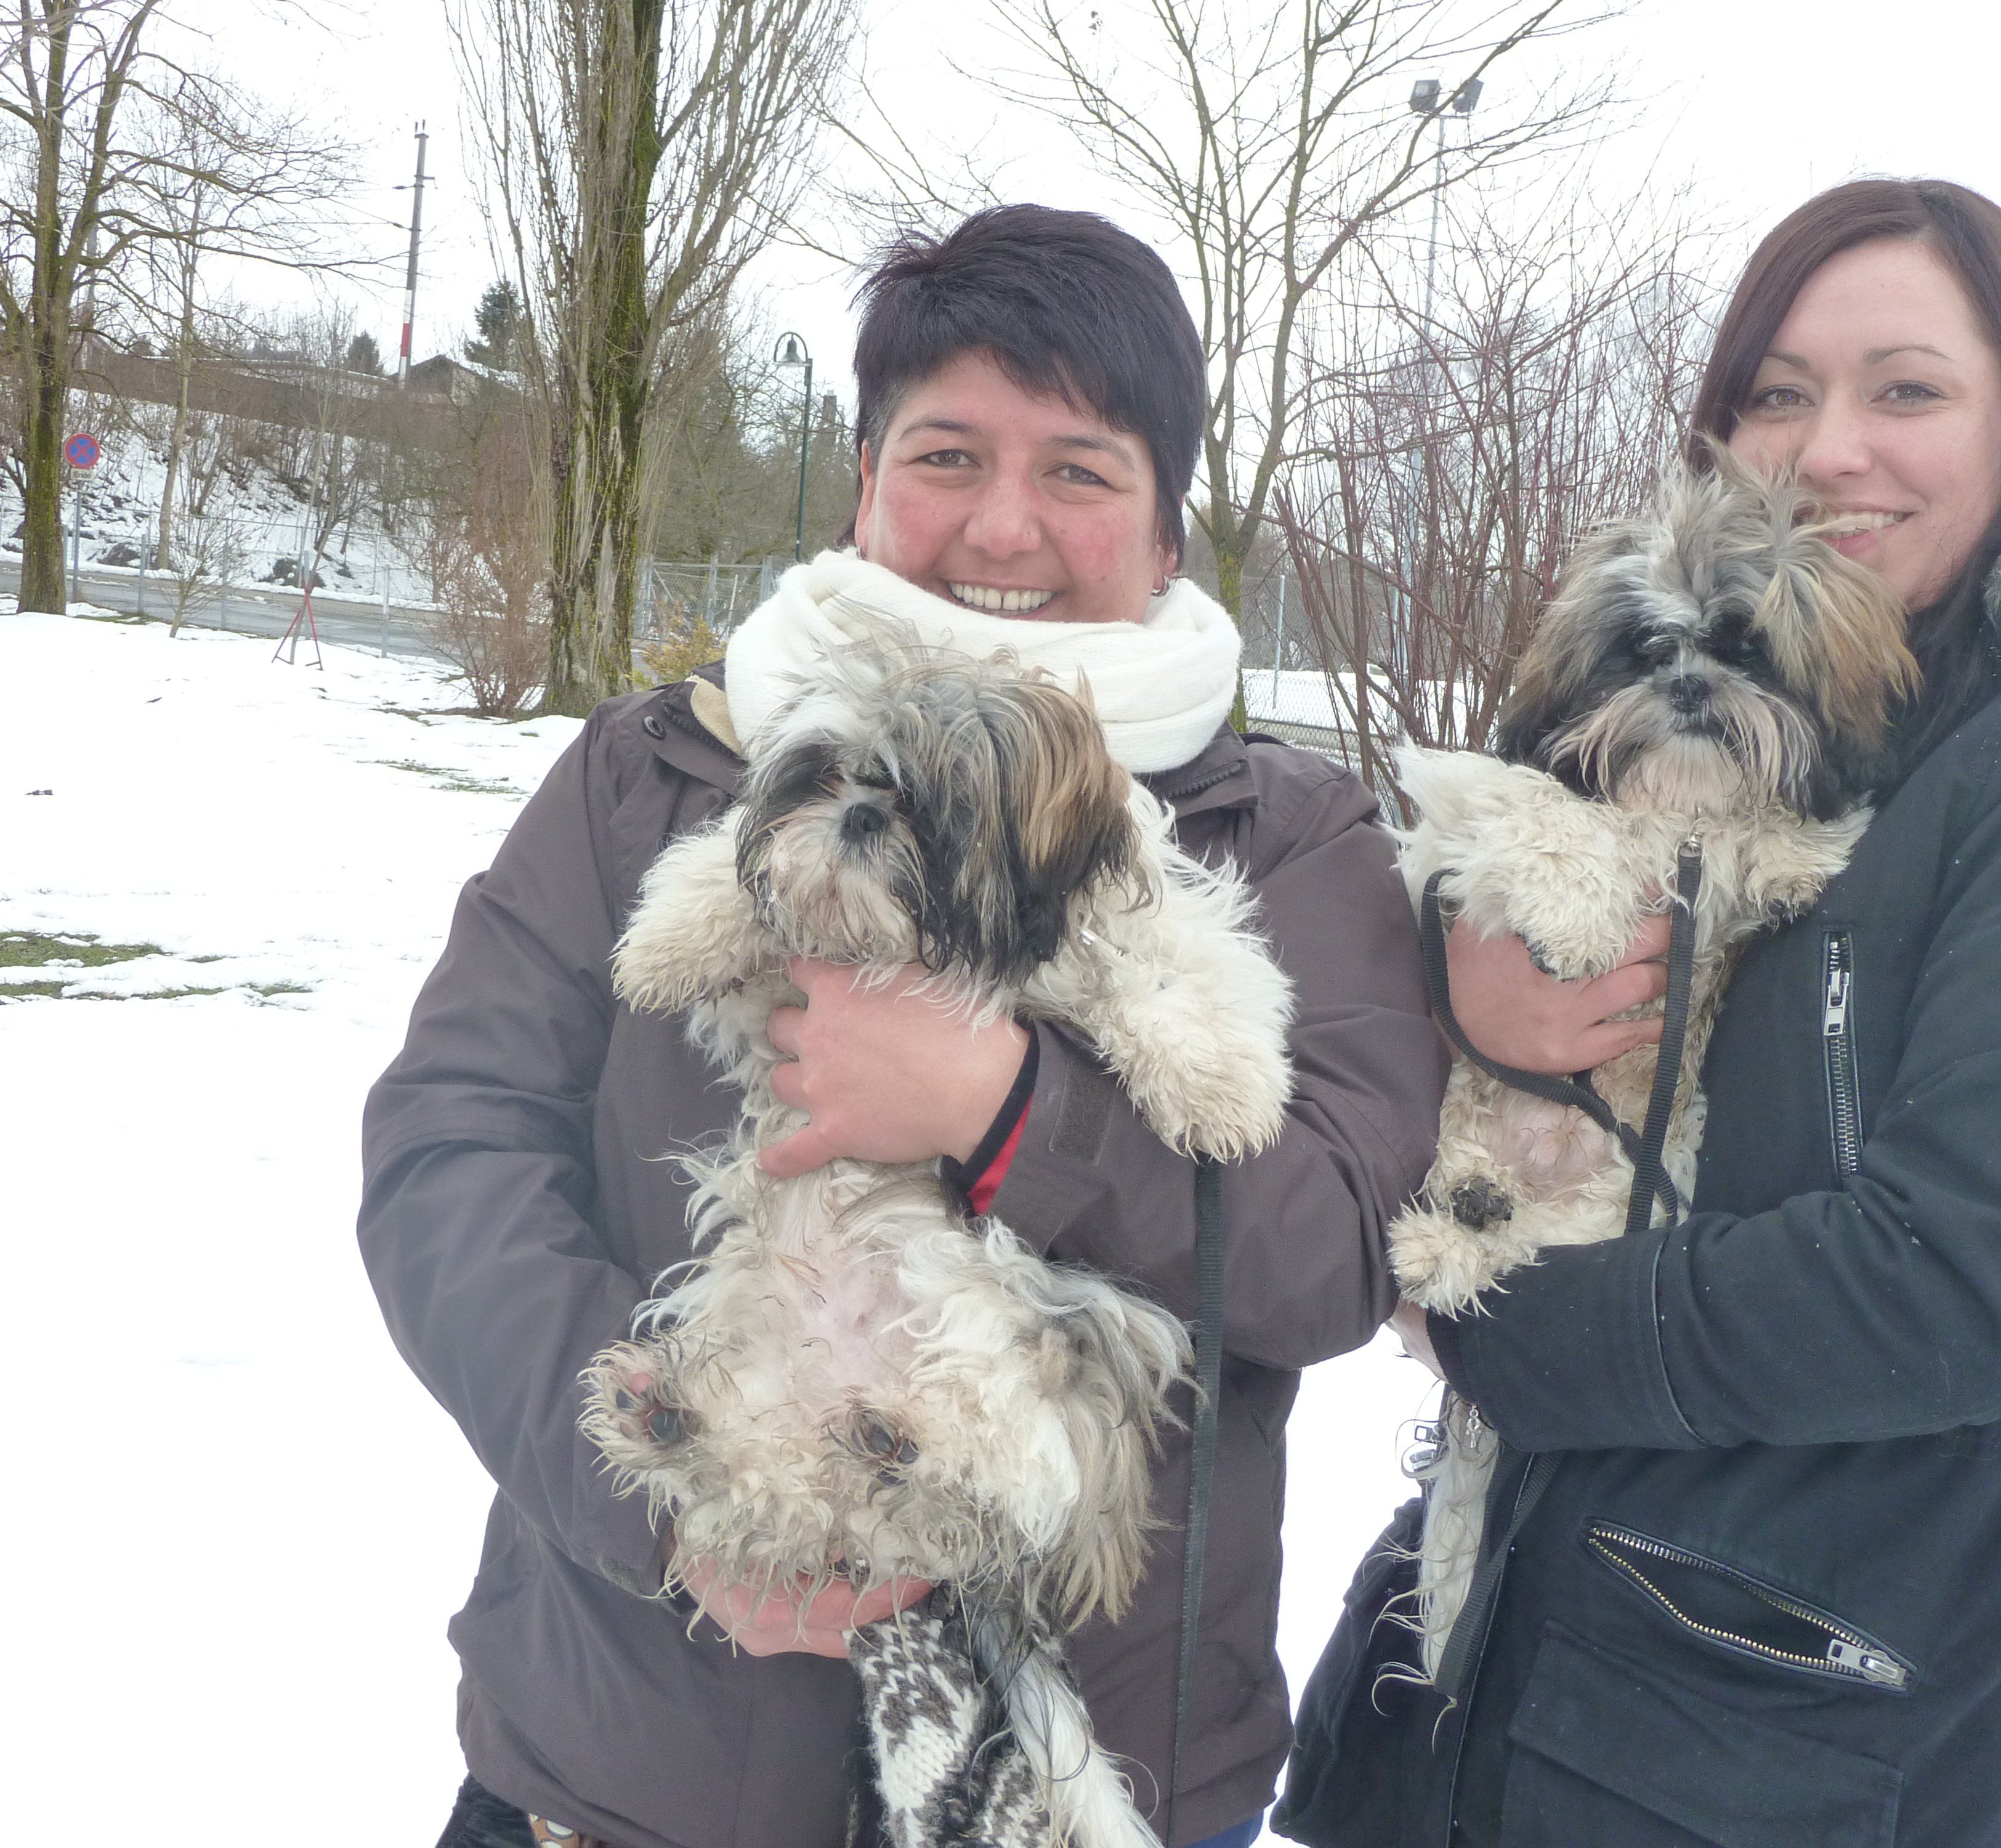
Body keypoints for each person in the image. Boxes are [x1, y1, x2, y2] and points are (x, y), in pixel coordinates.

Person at [362, 204, 1449, 1848]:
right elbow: (452, 1154)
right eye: (948, 456)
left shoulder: (1286, 839)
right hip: (624, 1774)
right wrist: (660, 1499)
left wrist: (1012, 1110)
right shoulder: (653, 775)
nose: (1005, 526)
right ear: (865, 480)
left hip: (1092, 1782)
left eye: (1079, 470)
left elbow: (1336, 1252)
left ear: (1168, 530)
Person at [1275, 178, 2001, 1847]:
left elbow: (1961, 1287)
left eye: (1908, 389)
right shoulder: (1795, 728)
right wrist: (1484, 1005)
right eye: (1777, 393)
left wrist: (1495, 1328)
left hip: (1797, 1753)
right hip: (1494, 1687)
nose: (1830, 451)